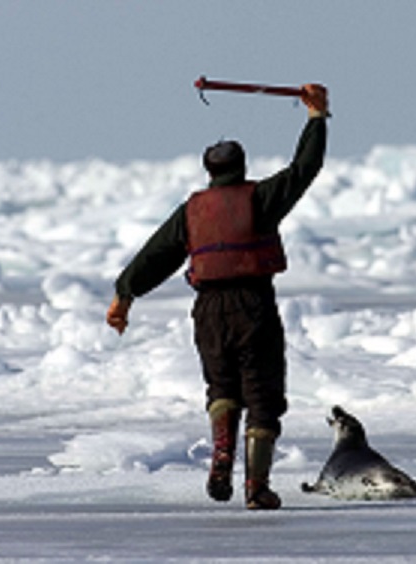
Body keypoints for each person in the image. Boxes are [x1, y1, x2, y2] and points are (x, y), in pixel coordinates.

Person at [106, 84, 328, 510]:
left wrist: (124, 294)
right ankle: (256, 487)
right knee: (262, 395)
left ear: (208, 171)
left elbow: (156, 255)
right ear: (242, 168)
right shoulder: (260, 198)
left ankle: (222, 456)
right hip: (253, 305)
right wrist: (316, 118)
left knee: (222, 387)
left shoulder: (192, 211)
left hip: (208, 310)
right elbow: (304, 168)